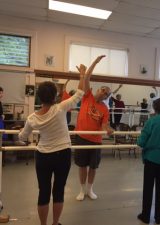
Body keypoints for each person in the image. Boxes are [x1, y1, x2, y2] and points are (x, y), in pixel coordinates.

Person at [18, 64, 86, 225]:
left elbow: (22, 137)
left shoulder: (32, 118)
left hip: (43, 156)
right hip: (62, 154)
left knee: (43, 192)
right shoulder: (61, 108)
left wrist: (21, 131)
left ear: (39, 97)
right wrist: (82, 75)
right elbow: (80, 93)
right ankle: (55, 223)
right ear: (55, 96)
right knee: (59, 191)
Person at [74, 55, 114, 201]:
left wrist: (108, 129)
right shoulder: (87, 96)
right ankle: (82, 190)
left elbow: (104, 125)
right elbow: (87, 77)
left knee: (93, 167)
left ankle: (90, 189)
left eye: (106, 94)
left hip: (95, 140)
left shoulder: (104, 109)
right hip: (82, 137)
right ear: (98, 90)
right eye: (103, 90)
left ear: (106, 97)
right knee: (82, 165)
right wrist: (95, 62)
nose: (103, 93)